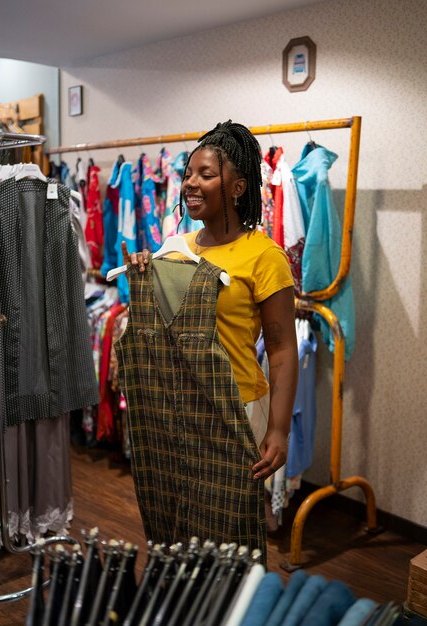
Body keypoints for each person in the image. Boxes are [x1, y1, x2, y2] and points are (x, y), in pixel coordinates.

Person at [120, 120, 298, 559]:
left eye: (206, 174)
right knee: (178, 517)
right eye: (188, 174)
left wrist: (278, 429)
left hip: (237, 405)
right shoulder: (175, 247)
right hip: (178, 404)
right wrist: (148, 271)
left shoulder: (264, 256)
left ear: (238, 187)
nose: (190, 185)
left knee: (227, 525)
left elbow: (281, 349)